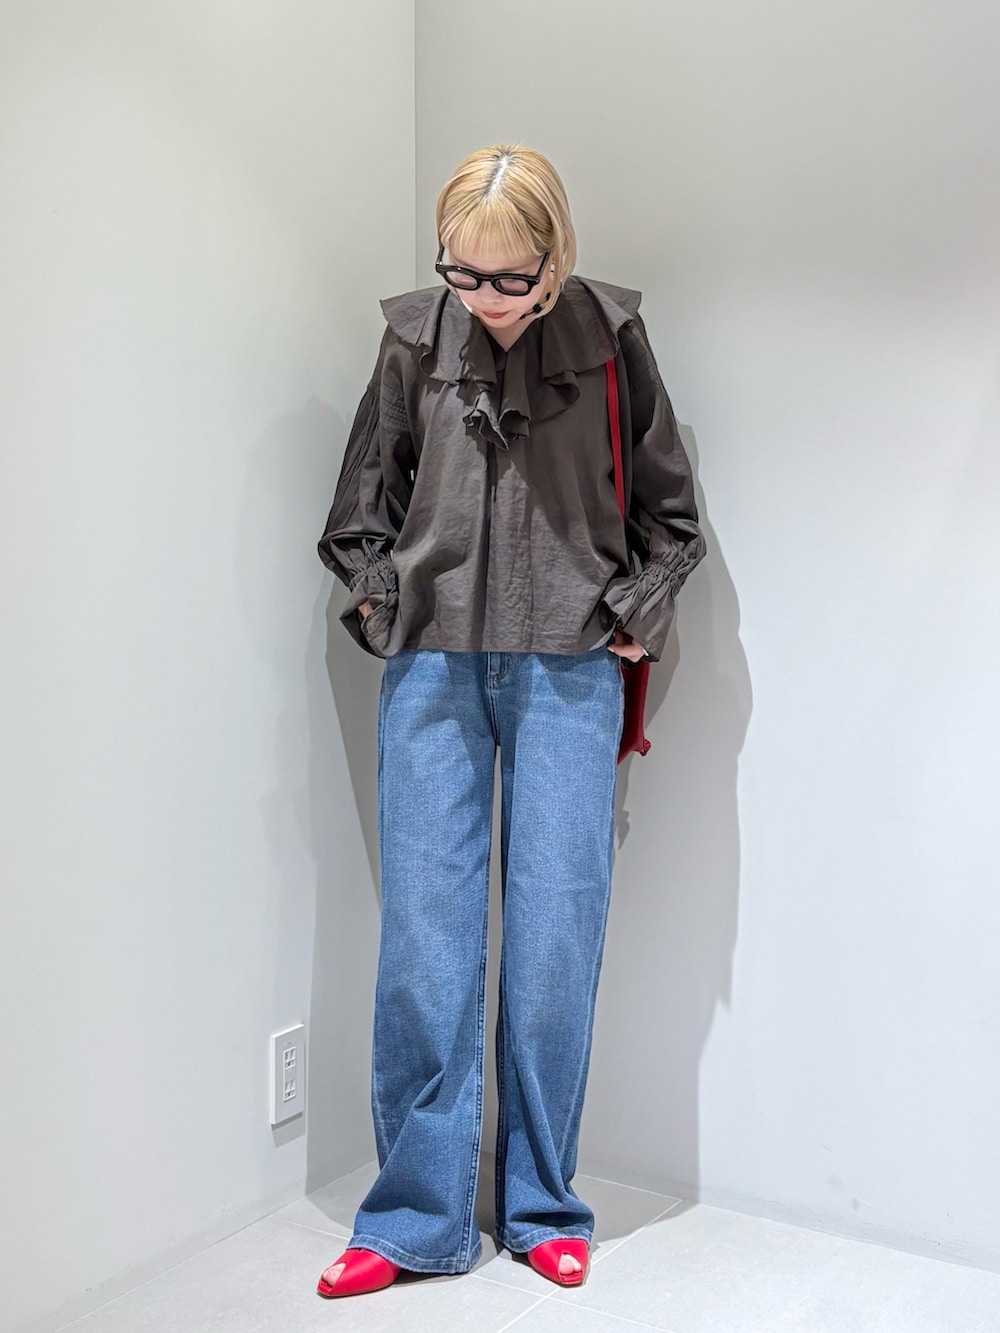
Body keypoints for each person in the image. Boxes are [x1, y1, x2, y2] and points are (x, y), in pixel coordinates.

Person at [315, 145, 705, 1298]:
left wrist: (633, 613)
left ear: (554, 256)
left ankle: (541, 1205)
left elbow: (673, 515)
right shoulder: (411, 339)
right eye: (462, 273)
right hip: (432, 668)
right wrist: (386, 604)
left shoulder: (611, 338)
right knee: (425, 944)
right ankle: (413, 1219)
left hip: (571, 668)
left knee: (553, 938)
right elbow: (359, 510)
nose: (482, 298)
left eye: (508, 277)